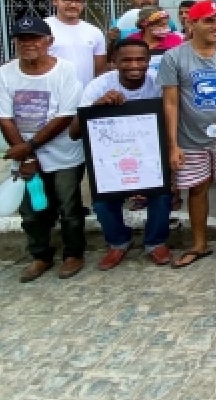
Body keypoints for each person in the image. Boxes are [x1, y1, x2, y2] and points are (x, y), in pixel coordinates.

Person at [159, 0, 216, 268]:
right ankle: (199, 244)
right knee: (196, 189)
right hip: (189, 137)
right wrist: (173, 145)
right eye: (209, 20)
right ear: (191, 23)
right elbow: (171, 102)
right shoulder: (174, 57)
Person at [0, 16, 85, 281]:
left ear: (49, 42)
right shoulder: (5, 73)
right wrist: (27, 154)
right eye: (22, 39)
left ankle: (73, 253)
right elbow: (3, 117)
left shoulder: (65, 70)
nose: (28, 44)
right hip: (24, 154)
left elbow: (65, 115)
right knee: (31, 211)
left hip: (63, 153)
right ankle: (40, 256)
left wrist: (30, 146)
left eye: (35, 38)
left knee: (69, 207)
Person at [69, 39, 172, 269]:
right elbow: (74, 132)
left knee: (162, 195)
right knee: (103, 200)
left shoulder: (158, 85)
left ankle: (155, 242)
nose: (134, 65)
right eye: (126, 60)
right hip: (111, 157)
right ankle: (118, 242)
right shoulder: (98, 86)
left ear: (149, 62)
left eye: (140, 60)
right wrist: (97, 106)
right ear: (114, 62)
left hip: (149, 155)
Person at [45, 0, 106, 90]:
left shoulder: (94, 32)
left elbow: (100, 72)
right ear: (55, 1)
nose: (73, 5)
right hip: (54, 98)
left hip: (86, 99)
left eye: (78, 0)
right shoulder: (43, 29)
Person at [129, 6, 183, 77]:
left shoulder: (175, 40)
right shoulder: (132, 41)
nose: (166, 28)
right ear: (145, 24)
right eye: (161, 25)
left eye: (167, 24)